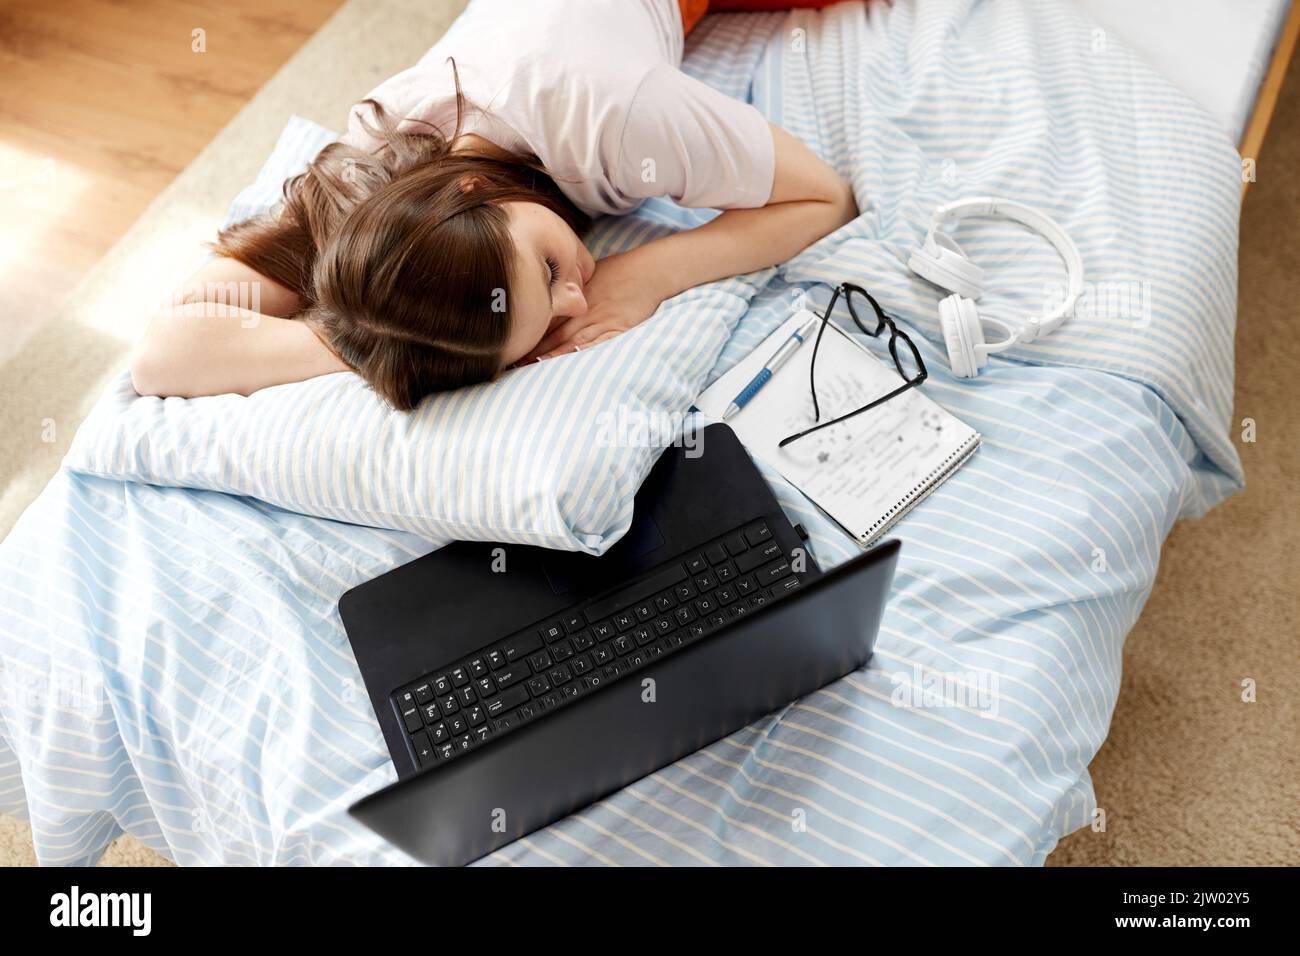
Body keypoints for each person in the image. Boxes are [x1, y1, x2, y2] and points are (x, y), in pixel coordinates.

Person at [131, 0, 856, 410]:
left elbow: (824, 195)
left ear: (474, 188)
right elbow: (163, 354)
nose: (576, 297)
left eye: (548, 273)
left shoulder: (614, 114)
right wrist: (395, 341)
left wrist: (652, 272)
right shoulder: (382, 221)